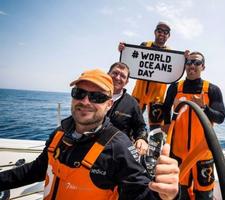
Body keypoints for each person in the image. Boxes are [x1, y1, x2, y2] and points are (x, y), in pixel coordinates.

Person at [0, 69, 180, 200]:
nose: (85, 101)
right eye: (79, 93)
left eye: (97, 97)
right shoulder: (59, 134)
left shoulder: (119, 148)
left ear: (109, 105)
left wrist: (165, 195)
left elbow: (140, 193)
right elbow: (37, 169)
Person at [162, 52, 225, 200]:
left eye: (197, 63)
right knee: (179, 193)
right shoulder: (175, 87)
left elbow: (221, 117)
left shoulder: (211, 89)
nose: (192, 66)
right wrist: (166, 124)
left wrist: (204, 108)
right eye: (189, 62)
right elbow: (165, 108)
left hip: (202, 153)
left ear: (203, 67)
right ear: (185, 65)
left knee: (204, 194)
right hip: (178, 153)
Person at [119, 21, 171, 130]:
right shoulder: (144, 45)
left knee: (156, 131)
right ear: (155, 32)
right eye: (159, 30)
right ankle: (129, 145)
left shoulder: (171, 54)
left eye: (166, 32)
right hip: (138, 93)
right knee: (128, 124)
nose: (162, 33)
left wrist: (185, 58)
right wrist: (124, 50)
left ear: (168, 36)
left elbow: (178, 69)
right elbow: (132, 60)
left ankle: (153, 147)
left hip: (157, 97)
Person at [107, 62, 148, 156]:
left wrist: (142, 139)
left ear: (126, 82)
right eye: (115, 73)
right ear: (107, 74)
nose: (117, 77)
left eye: (122, 76)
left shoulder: (132, 103)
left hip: (119, 153)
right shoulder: (92, 96)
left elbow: (141, 127)